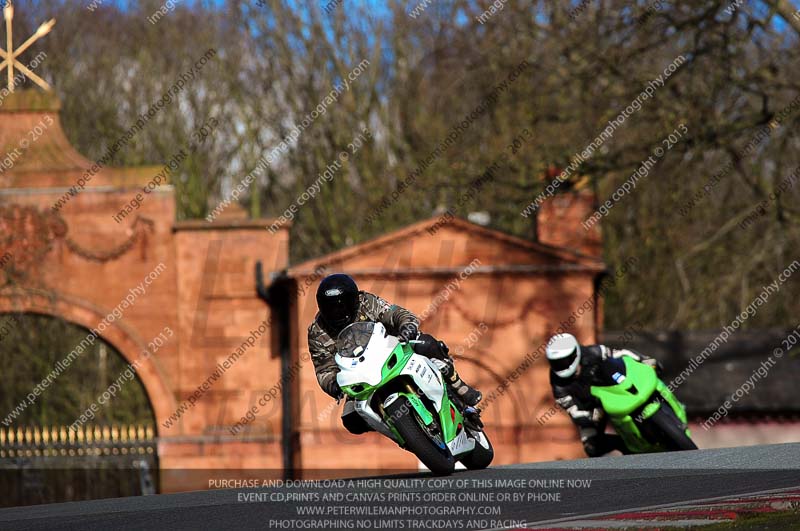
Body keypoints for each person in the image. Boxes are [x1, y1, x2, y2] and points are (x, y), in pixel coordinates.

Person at [308, 273, 482, 434]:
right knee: (351, 420)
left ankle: (457, 384)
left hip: (393, 350)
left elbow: (396, 313)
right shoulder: (317, 331)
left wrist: (407, 327)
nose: (338, 312)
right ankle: (397, 429)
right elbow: (323, 369)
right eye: (330, 308)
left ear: (354, 300)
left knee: (427, 344)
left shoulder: (367, 302)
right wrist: (334, 384)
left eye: (342, 305)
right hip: (361, 376)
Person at [546, 332, 663, 457]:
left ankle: (668, 405)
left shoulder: (593, 352)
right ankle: (628, 448)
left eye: (564, 360)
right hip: (593, 409)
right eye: (556, 363)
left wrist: (646, 360)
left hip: (614, 391)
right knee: (591, 447)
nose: (561, 366)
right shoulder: (558, 385)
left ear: (576, 353)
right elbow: (573, 411)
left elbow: (622, 354)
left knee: (651, 372)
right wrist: (590, 417)